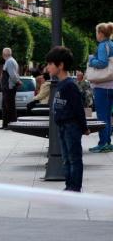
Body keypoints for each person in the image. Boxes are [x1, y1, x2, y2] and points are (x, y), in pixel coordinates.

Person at [46, 46, 89, 191]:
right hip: (63, 126)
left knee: (74, 158)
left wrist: (84, 127)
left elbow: (78, 109)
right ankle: (69, 186)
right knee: (66, 159)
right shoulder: (61, 84)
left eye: (51, 64)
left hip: (71, 126)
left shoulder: (70, 85)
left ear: (61, 65)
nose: (48, 67)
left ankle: (75, 188)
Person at [87, 22, 113, 152]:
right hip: (111, 85)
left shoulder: (103, 45)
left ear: (101, 33)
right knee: (108, 116)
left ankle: (103, 143)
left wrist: (92, 60)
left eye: (97, 32)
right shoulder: (112, 44)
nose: (96, 35)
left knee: (102, 116)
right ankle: (107, 142)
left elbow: (102, 63)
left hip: (103, 86)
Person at [0, 47, 21, 129]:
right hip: (7, 88)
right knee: (5, 106)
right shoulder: (9, 61)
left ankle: (12, 124)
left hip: (9, 88)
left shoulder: (10, 62)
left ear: (4, 54)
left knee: (9, 106)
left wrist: (18, 81)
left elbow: (12, 75)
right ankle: (5, 124)